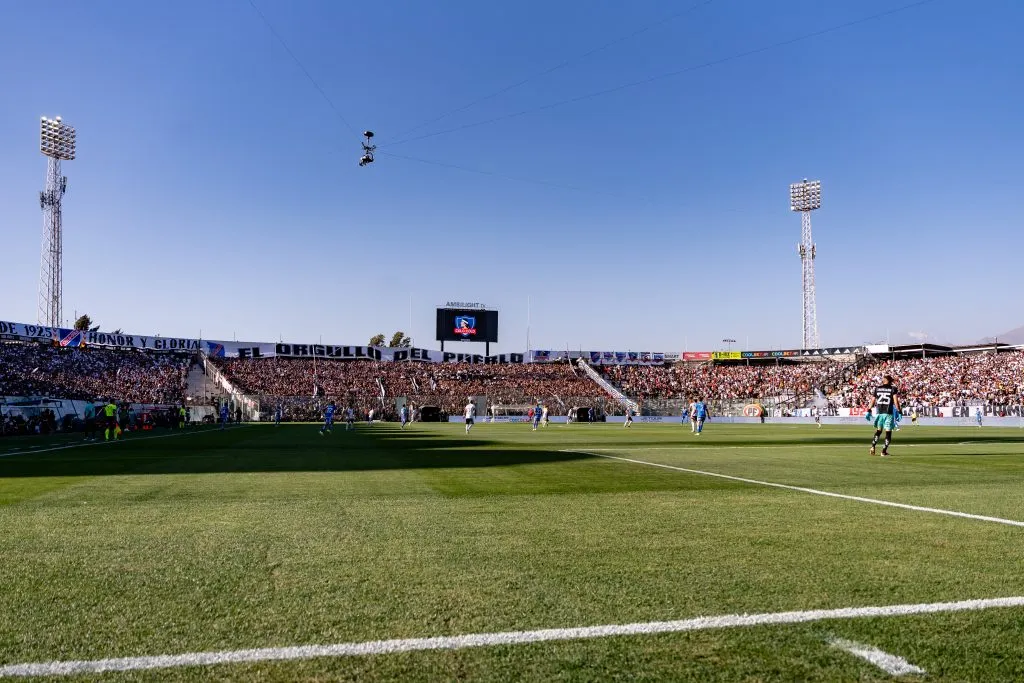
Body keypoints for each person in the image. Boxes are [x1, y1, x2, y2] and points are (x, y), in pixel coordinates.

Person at [866, 375, 901, 457]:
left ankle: (872, 447)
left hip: (879, 413)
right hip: (888, 413)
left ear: (884, 380)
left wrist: (868, 410)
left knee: (879, 431)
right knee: (888, 433)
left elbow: (872, 401)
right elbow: (896, 401)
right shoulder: (893, 389)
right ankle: (883, 451)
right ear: (889, 381)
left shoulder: (877, 388)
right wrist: (899, 411)